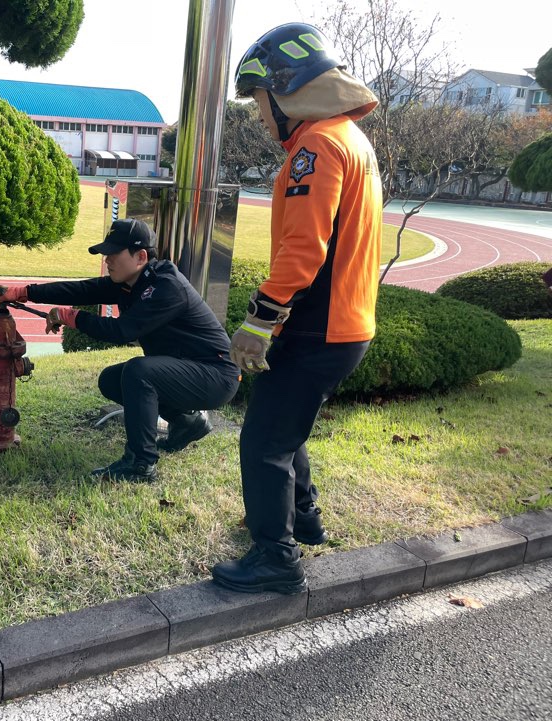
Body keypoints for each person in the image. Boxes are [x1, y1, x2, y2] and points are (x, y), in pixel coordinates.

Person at [211, 23, 383, 595]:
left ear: (285, 91)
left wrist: (259, 321)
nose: (260, 116)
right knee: (285, 427)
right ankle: (303, 520)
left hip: (318, 325)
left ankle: (275, 559)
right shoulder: (351, 138)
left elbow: (305, 248)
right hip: (342, 325)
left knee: (263, 441)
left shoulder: (318, 146)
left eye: (261, 101)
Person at [0, 218, 240, 482]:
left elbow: (122, 331)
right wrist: (20, 291)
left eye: (113, 254)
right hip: (191, 369)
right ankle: (187, 422)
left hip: (216, 376)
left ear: (140, 256)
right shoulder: (132, 282)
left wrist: (70, 317)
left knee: (140, 372)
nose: (107, 260)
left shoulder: (166, 286)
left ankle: (141, 464)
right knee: (112, 380)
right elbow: (82, 290)